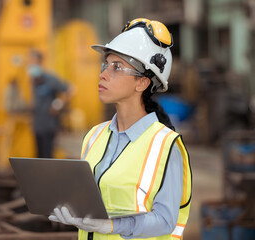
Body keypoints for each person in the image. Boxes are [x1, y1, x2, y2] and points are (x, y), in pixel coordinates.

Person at [48, 18, 192, 240]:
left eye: (117, 67)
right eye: (105, 64)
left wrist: (112, 226)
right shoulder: (94, 136)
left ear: (142, 83)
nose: (102, 74)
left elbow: (165, 220)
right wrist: (70, 209)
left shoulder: (165, 145)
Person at [28, 50, 69, 158]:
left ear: (40, 63)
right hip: (37, 126)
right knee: (39, 156)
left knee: (47, 156)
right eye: (30, 62)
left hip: (49, 126)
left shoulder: (50, 79)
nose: (32, 65)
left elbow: (69, 90)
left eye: (34, 62)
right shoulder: (34, 82)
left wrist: (58, 104)